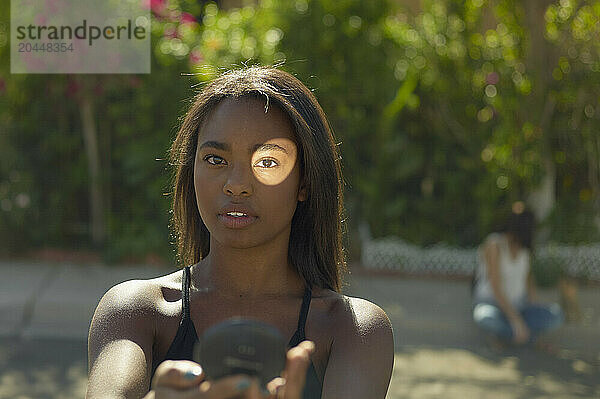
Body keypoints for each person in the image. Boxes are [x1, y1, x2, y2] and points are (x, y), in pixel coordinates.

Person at [86, 66, 394, 399]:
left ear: (304, 182)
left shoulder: (352, 329)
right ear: (192, 171)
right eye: (216, 159)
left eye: (268, 162)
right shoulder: (136, 311)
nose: (237, 185)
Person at [472, 204, 564, 346]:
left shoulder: (524, 250)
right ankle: (527, 338)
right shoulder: (495, 244)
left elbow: (528, 281)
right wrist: (516, 321)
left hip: (520, 306)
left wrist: (533, 308)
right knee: (486, 317)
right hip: (494, 305)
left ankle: (509, 336)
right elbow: (495, 287)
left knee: (556, 315)